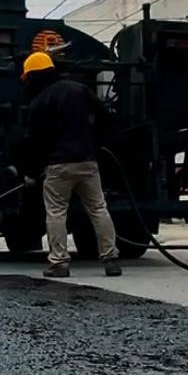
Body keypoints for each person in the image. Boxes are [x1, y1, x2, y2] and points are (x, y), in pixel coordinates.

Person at [19, 51, 121, 279]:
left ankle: (59, 263)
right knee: (98, 209)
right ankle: (111, 259)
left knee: (56, 213)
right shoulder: (79, 89)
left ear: (33, 76)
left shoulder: (39, 102)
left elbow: (34, 142)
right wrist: (95, 145)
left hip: (58, 166)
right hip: (87, 162)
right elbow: (106, 117)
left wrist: (30, 173)